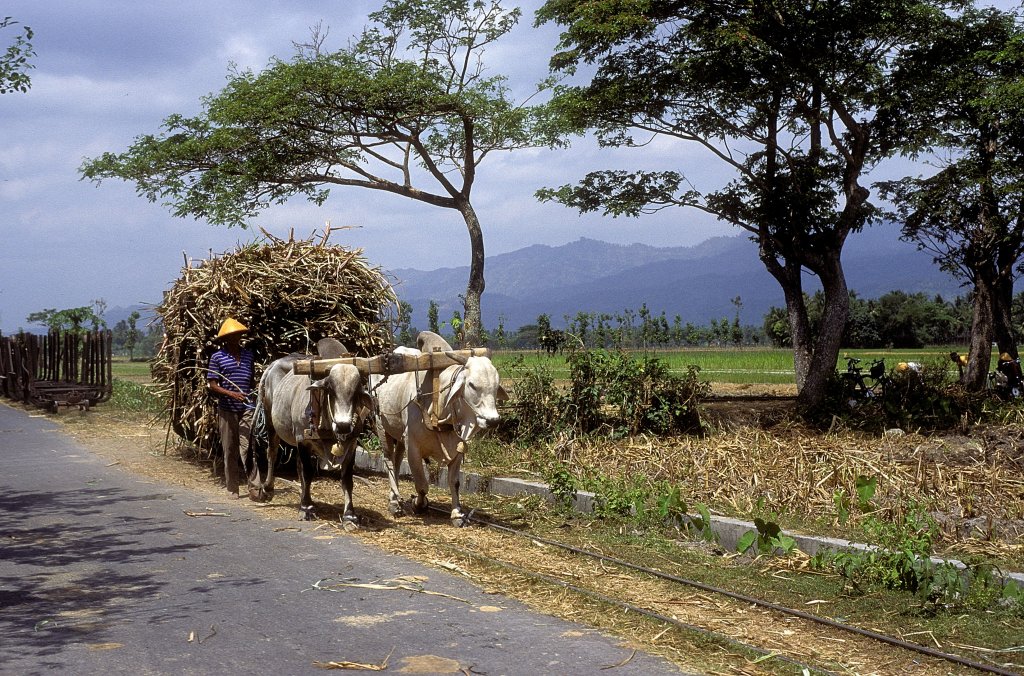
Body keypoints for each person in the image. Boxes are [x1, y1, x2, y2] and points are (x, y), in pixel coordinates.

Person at [207, 317, 255, 498]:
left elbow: (251, 381)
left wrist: (251, 394)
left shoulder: (249, 355)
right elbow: (212, 384)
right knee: (229, 449)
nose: (237, 338)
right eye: (233, 336)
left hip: (247, 407)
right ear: (225, 339)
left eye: (239, 335)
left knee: (248, 447)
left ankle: (254, 487)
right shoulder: (217, 357)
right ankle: (232, 488)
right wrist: (232, 394)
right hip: (227, 408)